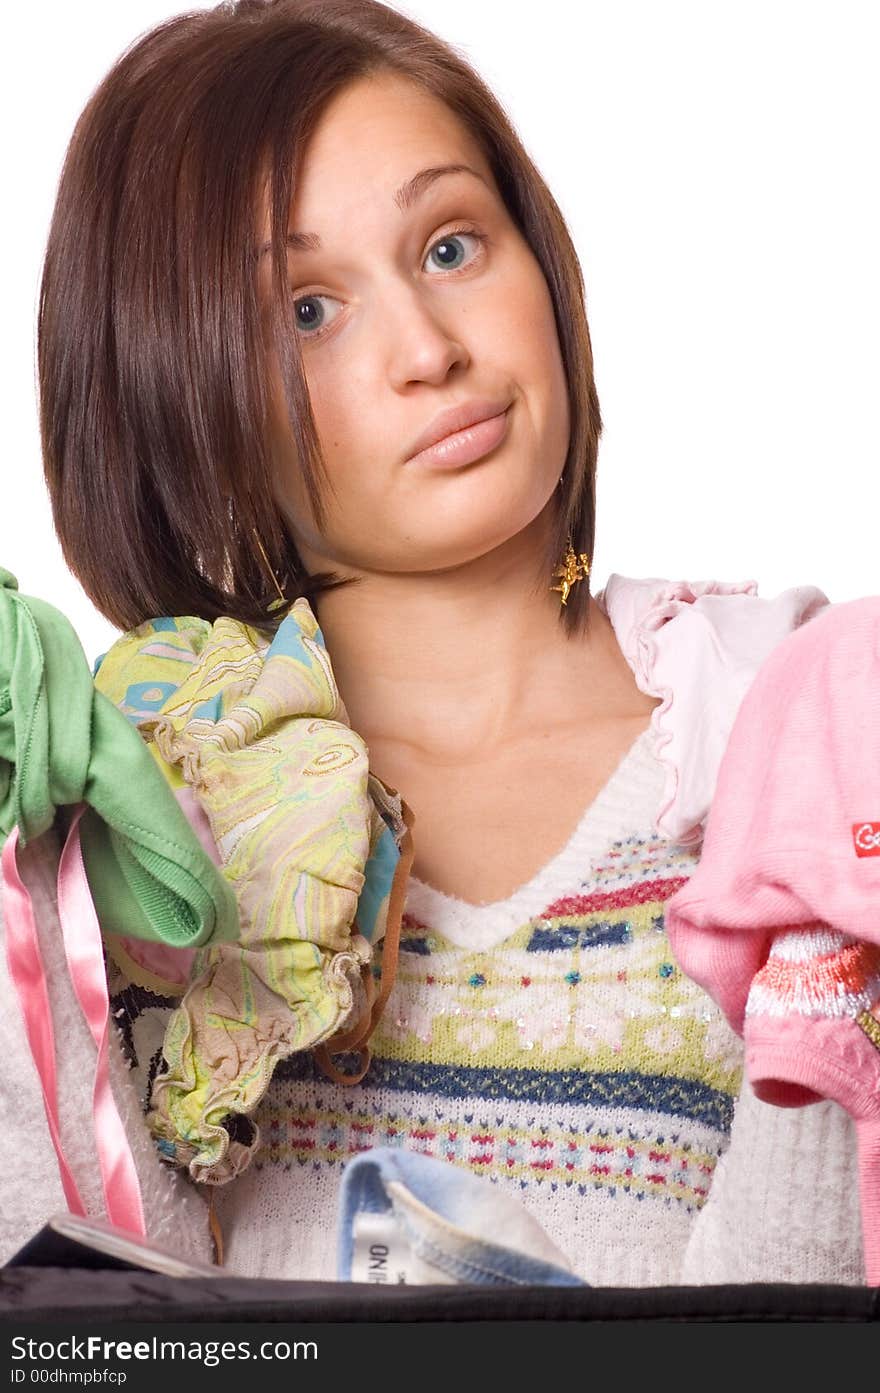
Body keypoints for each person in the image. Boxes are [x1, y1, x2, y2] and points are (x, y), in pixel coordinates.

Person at [33, 0, 865, 1286]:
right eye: (307, 311)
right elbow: (93, 1327)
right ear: (172, 389)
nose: (430, 352)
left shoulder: (790, 742)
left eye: (452, 244)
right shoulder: (146, 824)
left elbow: (802, 1325)